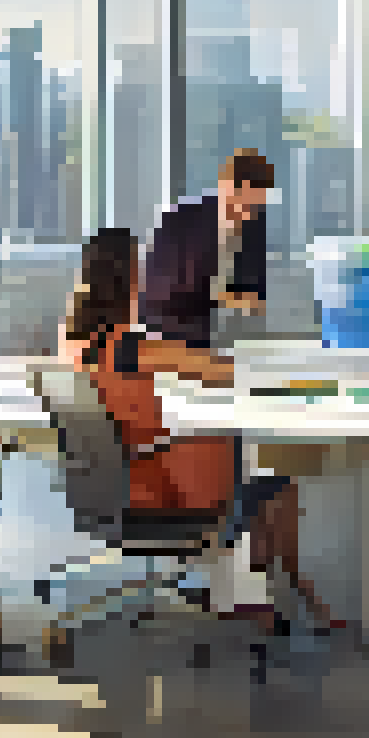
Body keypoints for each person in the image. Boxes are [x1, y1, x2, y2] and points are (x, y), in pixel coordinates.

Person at [65, 226, 336, 631]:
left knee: (251, 472)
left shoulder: (75, 343)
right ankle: (265, 593)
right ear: (129, 282)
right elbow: (220, 373)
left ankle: (253, 589)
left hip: (105, 490)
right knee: (269, 477)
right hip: (155, 494)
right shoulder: (135, 346)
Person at [140, 149, 272, 350]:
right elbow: (164, 291)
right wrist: (225, 297)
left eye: (253, 206)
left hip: (225, 333)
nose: (245, 214)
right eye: (238, 201)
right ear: (224, 186)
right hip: (169, 331)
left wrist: (232, 298)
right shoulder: (180, 220)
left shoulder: (254, 226)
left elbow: (256, 297)